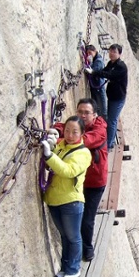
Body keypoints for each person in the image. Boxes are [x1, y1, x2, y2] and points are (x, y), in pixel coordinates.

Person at [49, 98, 108, 261]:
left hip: (94, 183)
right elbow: (68, 127)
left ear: (95, 115)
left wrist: (59, 139)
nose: (82, 115)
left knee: (87, 219)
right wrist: (56, 129)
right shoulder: (78, 127)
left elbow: (83, 140)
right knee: (77, 219)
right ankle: (78, 249)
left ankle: (87, 250)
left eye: (86, 112)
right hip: (78, 182)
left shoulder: (99, 130)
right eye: (79, 111)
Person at [41, 116, 91, 277]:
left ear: (82, 133)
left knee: (73, 236)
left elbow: (69, 171)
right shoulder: (62, 145)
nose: (70, 135)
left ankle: (74, 269)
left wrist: (49, 155)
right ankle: (65, 267)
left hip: (71, 201)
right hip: (55, 199)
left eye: (74, 132)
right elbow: (54, 158)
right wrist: (53, 145)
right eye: (67, 131)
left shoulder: (84, 153)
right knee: (64, 236)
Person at [85, 43, 128, 150]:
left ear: (119, 54)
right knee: (110, 119)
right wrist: (94, 71)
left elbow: (109, 75)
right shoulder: (111, 63)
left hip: (118, 98)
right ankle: (109, 141)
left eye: (114, 52)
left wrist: (93, 72)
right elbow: (105, 71)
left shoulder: (121, 67)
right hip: (113, 96)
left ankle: (108, 145)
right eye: (111, 51)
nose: (112, 54)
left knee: (112, 121)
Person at [85, 44, 107, 120]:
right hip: (96, 87)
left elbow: (94, 71)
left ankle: (103, 122)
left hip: (99, 87)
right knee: (97, 106)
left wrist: (90, 64)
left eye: (90, 53)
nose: (89, 55)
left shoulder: (98, 61)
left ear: (95, 51)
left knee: (102, 109)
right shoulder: (97, 59)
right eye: (87, 53)